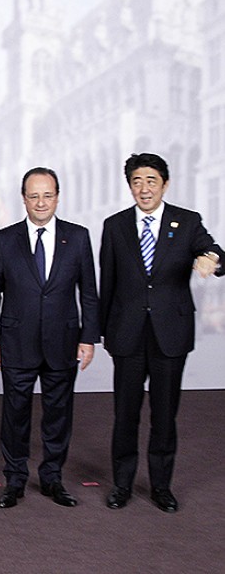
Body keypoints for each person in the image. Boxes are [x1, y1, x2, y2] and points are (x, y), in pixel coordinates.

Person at [100, 152, 224, 513]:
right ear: (129, 186)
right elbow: (108, 281)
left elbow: (215, 252)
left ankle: (161, 487)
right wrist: (104, 331)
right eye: (136, 181)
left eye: (151, 180)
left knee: (165, 415)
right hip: (127, 333)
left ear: (165, 184)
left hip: (170, 333)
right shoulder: (115, 225)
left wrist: (211, 260)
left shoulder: (187, 221)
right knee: (125, 414)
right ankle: (122, 484)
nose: (144, 188)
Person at [0, 167, 99, 509]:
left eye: (47, 195)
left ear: (58, 197)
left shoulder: (78, 237)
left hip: (63, 342)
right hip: (16, 342)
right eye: (34, 196)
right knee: (14, 415)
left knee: (58, 415)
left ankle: (52, 478)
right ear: (24, 199)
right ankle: (15, 480)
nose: (41, 202)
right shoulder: (4, 240)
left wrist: (88, 338)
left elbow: (88, 292)